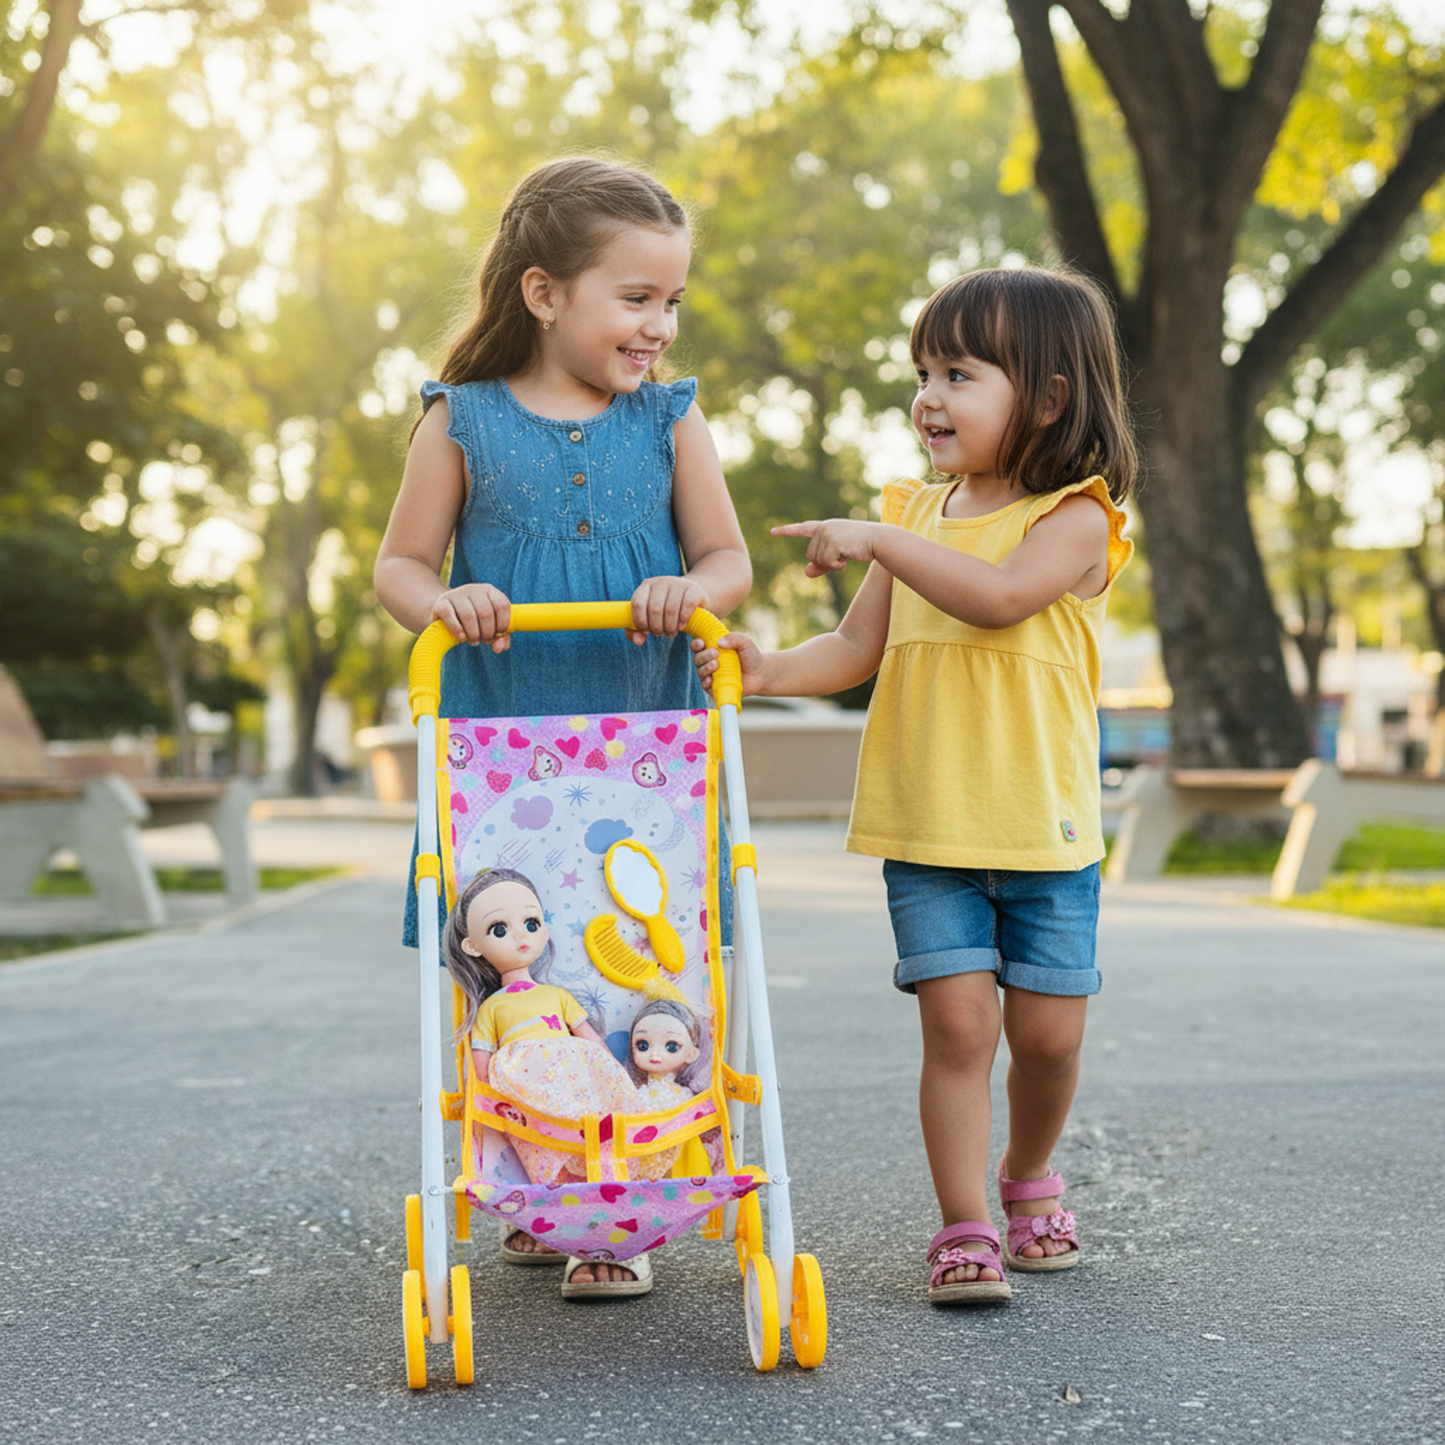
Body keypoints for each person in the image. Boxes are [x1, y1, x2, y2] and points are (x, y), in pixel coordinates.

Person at [694, 266, 1137, 1305]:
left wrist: (882, 535)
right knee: (955, 1029)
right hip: (929, 826)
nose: (927, 396)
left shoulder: (1079, 519)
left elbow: (994, 598)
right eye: (922, 372)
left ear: (1048, 396)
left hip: (1045, 832)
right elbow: (854, 647)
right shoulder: (914, 511)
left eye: (958, 372)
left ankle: (1027, 1174)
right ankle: (965, 1223)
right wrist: (768, 669)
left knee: (1046, 1036)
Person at [376, 156, 750, 1291]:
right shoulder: (462, 420)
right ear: (544, 294)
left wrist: (698, 592)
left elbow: (725, 557)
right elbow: (399, 563)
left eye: (670, 301)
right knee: (520, 966)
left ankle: (618, 1190)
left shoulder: (672, 421)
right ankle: (535, 1176)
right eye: (634, 298)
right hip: (504, 738)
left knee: (631, 950)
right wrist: (444, 602)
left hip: (638, 743)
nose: (658, 326)